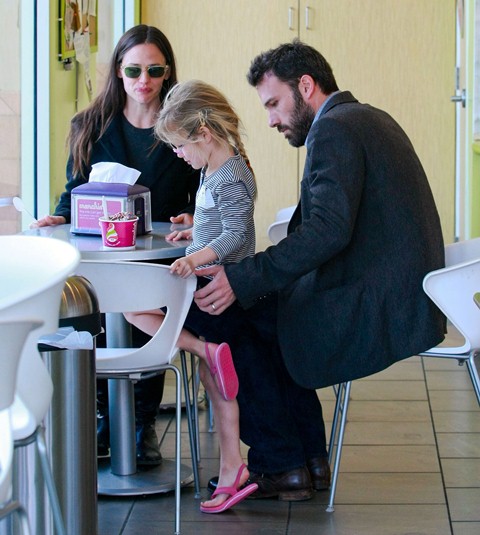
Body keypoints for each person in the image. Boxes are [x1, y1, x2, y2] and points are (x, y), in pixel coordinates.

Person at [189, 39, 446, 500]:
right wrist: (253, 279)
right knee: (259, 309)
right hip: (398, 292)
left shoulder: (335, 130)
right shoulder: (367, 117)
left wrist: (243, 278)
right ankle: (306, 462)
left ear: (305, 86)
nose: (270, 119)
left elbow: (328, 230)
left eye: (274, 103)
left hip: (378, 303)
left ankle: (281, 461)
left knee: (225, 317)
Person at [33, 25, 200, 466]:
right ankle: (106, 418)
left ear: (168, 72)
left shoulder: (183, 128)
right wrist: (60, 216)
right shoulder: (91, 126)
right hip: (101, 259)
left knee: (147, 310)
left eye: (154, 70)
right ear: (119, 71)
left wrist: (194, 215)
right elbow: (75, 190)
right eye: (133, 70)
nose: (143, 80)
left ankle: (141, 425)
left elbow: (205, 189)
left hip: (161, 260)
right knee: (91, 308)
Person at [125, 79, 258, 513]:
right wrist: (193, 228)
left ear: (203, 133)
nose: (178, 155)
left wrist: (194, 256)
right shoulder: (214, 169)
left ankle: (233, 467)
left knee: (134, 308)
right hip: (206, 282)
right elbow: (219, 222)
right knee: (212, 380)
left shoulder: (231, 175)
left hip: (214, 288)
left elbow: (236, 234)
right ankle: (232, 466)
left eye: (180, 146)